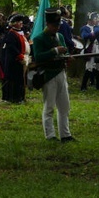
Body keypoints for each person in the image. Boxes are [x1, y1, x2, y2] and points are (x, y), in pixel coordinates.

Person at [32, 8, 75, 142]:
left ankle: (65, 134)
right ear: (48, 24)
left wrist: (67, 56)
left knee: (64, 106)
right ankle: (50, 135)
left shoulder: (60, 36)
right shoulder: (39, 38)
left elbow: (63, 51)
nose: (57, 28)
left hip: (61, 72)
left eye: (58, 25)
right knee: (49, 107)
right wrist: (55, 50)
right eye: (54, 25)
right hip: (48, 74)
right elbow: (38, 57)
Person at [0, 14, 30, 103]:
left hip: (21, 60)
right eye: (19, 22)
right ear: (14, 24)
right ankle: (13, 98)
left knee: (20, 80)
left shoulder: (19, 33)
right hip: (14, 61)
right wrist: (20, 56)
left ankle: (20, 97)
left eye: (21, 22)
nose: (21, 23)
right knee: (13, 80)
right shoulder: (11, 34)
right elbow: (11, 47)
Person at [80, 12, 99, 90]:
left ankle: (97, 84)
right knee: (89, 67)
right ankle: (83, 86)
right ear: (90, 20)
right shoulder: (85, 28)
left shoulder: (96, 27)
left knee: (97, 66)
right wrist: (94, 33)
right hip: (90, 48)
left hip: (97, 48)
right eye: (95, 18)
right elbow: (85, 36)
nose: (96, 20)